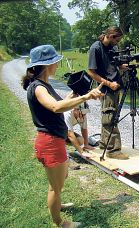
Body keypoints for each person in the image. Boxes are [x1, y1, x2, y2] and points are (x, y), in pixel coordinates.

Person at [22, 44, 103, 227]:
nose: (57, 65)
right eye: (55, 62)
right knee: (55, 187)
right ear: (46, 64)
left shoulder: (45, 84)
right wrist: (86, 97)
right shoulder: (38, 87)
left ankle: (57, 204)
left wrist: (74, 95)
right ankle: (60, 223)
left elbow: (60, 103)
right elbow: (55, 107)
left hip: (55, 140)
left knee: (61, 178)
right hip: (49, 142)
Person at [87, 26, 129, 160]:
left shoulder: (113, 48)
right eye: (117, 39)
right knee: (110, 118)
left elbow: (118, 66)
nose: (118, 43)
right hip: (105, 88)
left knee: (110, 116)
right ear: (111, 36)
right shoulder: (96, 48)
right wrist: (108, 83)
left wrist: (134, 66)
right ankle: (113, 150)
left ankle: (104, 143)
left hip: (116, 87)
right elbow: (91, 72)